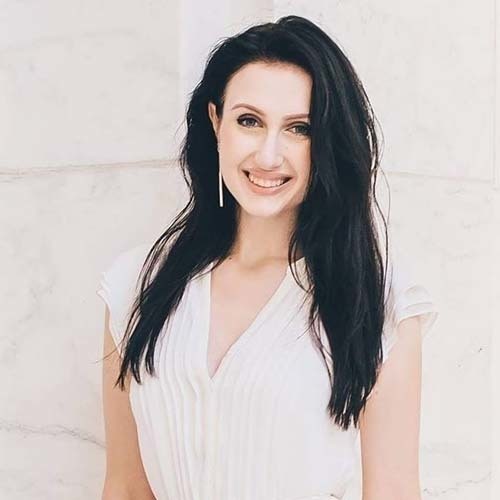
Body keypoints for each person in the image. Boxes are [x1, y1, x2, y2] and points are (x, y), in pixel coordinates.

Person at [97, 15, 438, 500]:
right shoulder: (138, 284)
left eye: (299, 128)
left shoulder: (376, 299)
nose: (269, 156)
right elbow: (126, 487)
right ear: (216, 121)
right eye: (249, 121)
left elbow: (394, 490)